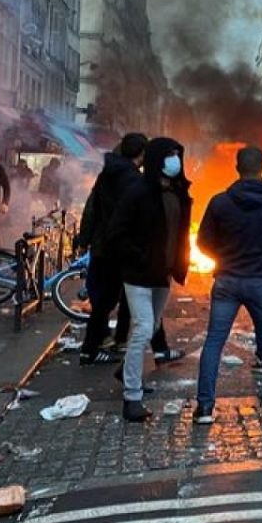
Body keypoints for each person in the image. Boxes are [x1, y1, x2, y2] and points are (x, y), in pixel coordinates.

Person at [194, 146, 262, 423]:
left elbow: (202, 242)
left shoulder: (220, 202)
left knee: (214, 342)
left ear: (237, 168)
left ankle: (204, 406)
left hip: (227, 279)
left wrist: (224, 256)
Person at [105, 138, 192, 422]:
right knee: (142, 328)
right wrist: (138, 257)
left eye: (178, 155)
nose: (175, 161)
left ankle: (126, 371)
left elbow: (180, 234)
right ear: (156, 159)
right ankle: (132, 397)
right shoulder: (138, 192)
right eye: (169, 155)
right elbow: (117, 231)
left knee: (152, 325)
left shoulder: (179, 193)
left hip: (162, 274)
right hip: (139, 273)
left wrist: (179, 263)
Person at [75, 133, 148, 366]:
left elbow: (92, 208)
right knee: (109, 299)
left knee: (103, 298)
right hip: (118, 247)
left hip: (102, 245)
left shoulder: (107, 174)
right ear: (141, 154)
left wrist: (85, 238)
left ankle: (102, 342)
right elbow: (133, 217)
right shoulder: (133, 180)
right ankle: (91, 349)